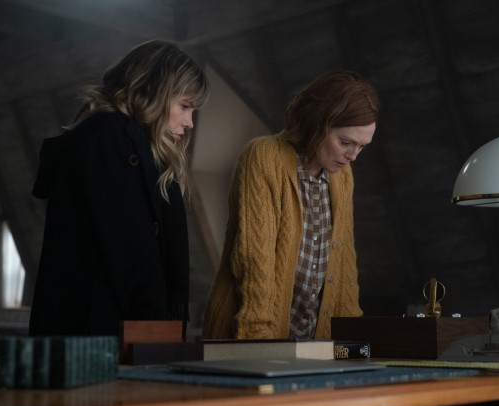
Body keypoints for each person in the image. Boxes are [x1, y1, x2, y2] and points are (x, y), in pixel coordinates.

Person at [29, 40, 210, 337]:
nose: (189, 122)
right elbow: (131, 252)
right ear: (153, 92)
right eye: (184, 106)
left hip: (105, 327)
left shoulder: (130, 146)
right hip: (97, 334)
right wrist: (158, 331)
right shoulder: (110, 140)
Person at [203, 70, 380, 340]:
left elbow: (345, 262)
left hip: (311, 343)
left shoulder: (342, 177)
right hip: (251, 337)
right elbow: (255, 261)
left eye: (361, 146)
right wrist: (260, 342)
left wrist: (350, 340)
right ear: (317, 124)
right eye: (346, 142)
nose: (353, 155)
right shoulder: (263, 157)